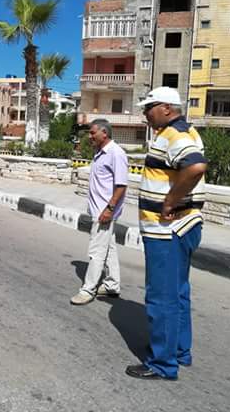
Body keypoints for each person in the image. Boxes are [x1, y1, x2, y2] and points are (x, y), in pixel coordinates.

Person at [126, 87, 207, 381]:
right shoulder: (185, 131)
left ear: (167, 108)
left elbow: (195, 166)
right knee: (178, 292)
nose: (145, 114)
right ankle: (179, 350)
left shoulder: (175, 135)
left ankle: (162, 363)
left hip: (167, 230)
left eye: (149, 108)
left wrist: (170, 201)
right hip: (184, 226)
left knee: (161, 297)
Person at [71, 119, 128, 306]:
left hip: (105, 212)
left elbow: (121, 185)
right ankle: (112, 285)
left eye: (92, 133)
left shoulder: (115, 153)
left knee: (96, 251)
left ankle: (88, 289)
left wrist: (109, 209)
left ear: (105, 133)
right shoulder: (99, 153)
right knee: (109, 247)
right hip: (98, 210)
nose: (89, 136)